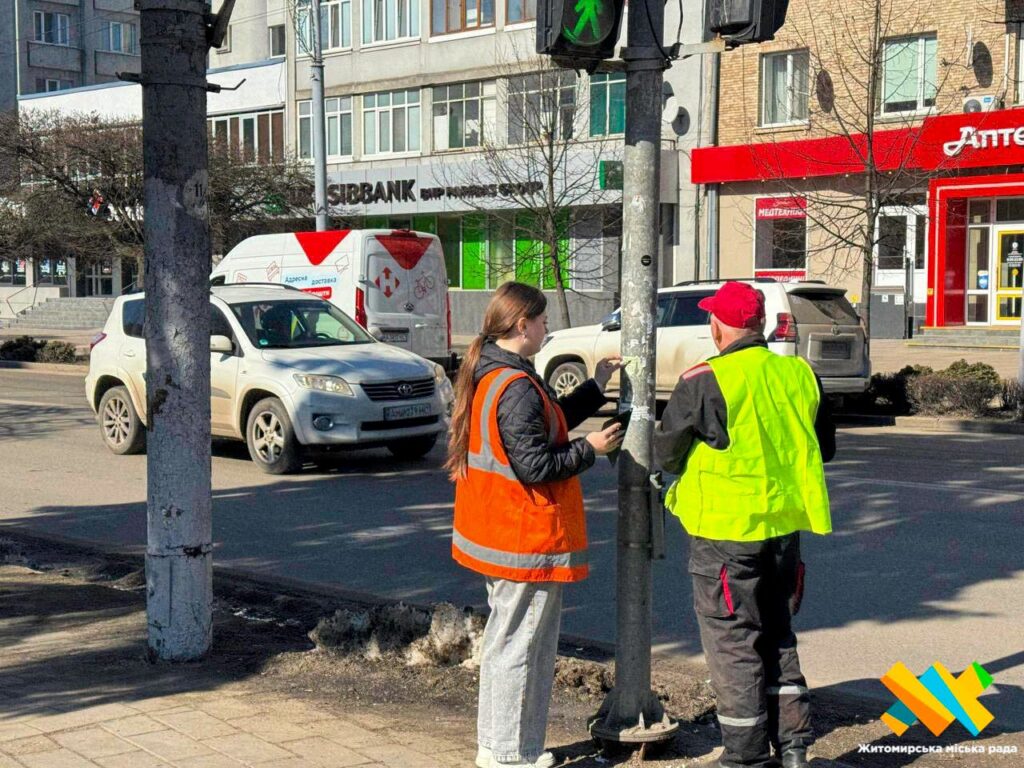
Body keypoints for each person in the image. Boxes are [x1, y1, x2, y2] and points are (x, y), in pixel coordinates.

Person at [654, 281, 836, 768]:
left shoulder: (704, 379)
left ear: (717, 326)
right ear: (760, 324)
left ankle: (745, 756)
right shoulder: (800, 373)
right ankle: (794, 747)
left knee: (734, 643)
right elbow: (825, 447)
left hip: (725, 534)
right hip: (784, 531)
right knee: (778, 633)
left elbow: (666, 452)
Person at [447, 282, 624, 768]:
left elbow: (546, 425)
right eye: (542, 321)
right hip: (524, 539)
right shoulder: (516, 385)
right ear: (521, 325)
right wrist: (593, 450)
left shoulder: (496, 374)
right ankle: (510, 754)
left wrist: (594, 387)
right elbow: (537, 465)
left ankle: (497, 746)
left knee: (507, 645)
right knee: (521, 650)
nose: (547, 328)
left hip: (500, 536)